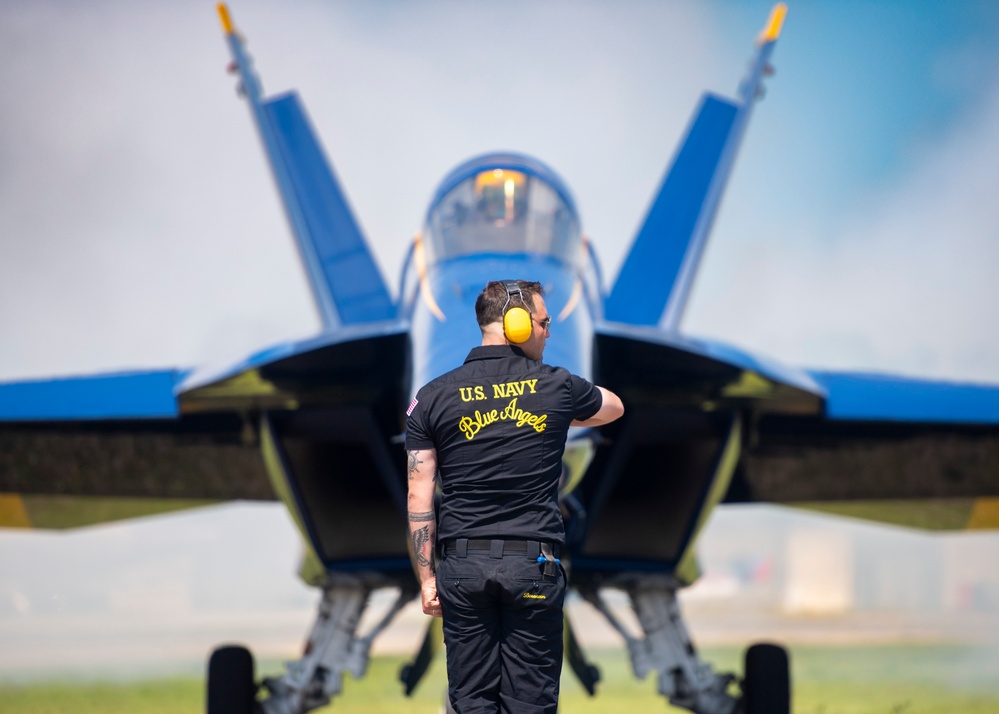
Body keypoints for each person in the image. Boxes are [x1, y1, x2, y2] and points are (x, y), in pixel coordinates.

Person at [405, 279, 624, 713]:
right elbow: (613, 406)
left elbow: (419, 495)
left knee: (470, 703)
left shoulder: (430, 398)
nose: (548, 332)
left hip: (462, 569)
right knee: (530, 703)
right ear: (518, 325)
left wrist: (428, 579)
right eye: (543, 323)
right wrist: (554, 419)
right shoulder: (556, 387)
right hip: (533, 567)